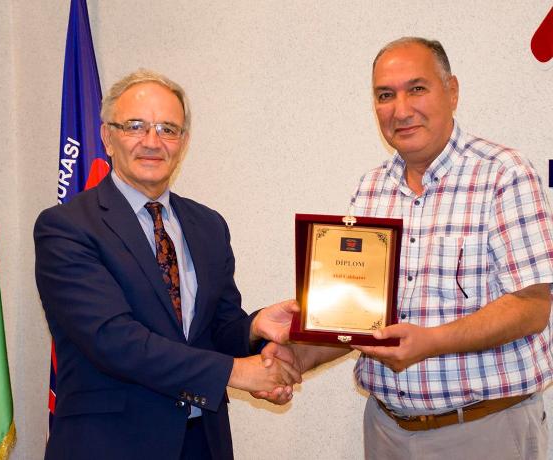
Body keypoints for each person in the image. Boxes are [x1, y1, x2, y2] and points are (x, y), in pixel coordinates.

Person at [260, 37, 553, 459]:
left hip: (484, 430)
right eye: (385, 95)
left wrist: (431, 341)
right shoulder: (371, 189)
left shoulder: (504, 175)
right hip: (387, 431)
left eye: (417, 89)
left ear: (452, 91)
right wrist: (297, 357)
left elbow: (532, 306)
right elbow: (361, 318)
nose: (400, 109)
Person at [34, 69, 300, 460]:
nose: (152, 142)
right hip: (110, 445)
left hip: (202, 441)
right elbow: (113, 340)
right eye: (135, 126)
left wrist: (255, 327)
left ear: (184, 142)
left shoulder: (208, 225)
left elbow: (214, 330)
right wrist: (237, 372)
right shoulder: (67, 227)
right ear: (107, 136)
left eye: (167, 129)